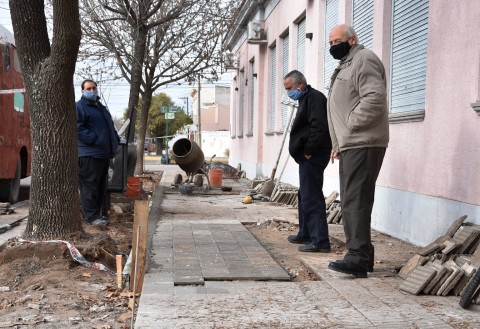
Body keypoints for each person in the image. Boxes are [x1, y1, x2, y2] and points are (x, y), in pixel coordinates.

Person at [326, 24, 389, 277]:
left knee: (355, 201)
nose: (332, 46)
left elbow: (374, 98)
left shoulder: (364, 59)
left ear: (352, 40)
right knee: (354, 199)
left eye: (336, 41)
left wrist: (350, 126)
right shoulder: (347, 64)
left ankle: (357, 257)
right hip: (353, 143)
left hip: (363, 141)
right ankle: (364, 255)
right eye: (329, 43)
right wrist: (339, 142)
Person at [284, 70, 332, 252]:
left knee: (311, 196)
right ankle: (305, 233)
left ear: (300, 85)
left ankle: (320, 241)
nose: (288, 93)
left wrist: (309, 150)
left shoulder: (315, 98)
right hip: (308, 155)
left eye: (289, 88)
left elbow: (319, 126)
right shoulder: (305, 99)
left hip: (314, 154)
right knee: (304, 194)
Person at [76, 79, 120, 225]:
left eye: (94, 88)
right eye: (88, 89)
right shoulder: (80, 107)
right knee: (90, 187)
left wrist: (115, 138)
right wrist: (96, 140)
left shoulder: (100, 107)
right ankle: (90, 217)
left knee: (100, 186)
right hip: (89, 154)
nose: (92, 91)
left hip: (103, 154)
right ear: (82, 91)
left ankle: (97, 215)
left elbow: (109, 127)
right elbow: (78, 128)